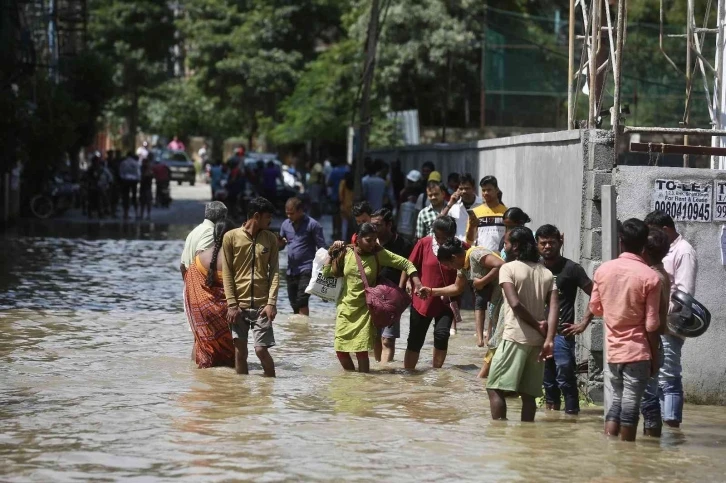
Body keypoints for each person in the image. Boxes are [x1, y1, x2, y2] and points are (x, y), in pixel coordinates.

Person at [589, 219, 662, 442]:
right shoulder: (650, 277)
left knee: (618, 400)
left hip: (614, 350)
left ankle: (613, 447)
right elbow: (651, 324)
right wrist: (655, 357)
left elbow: (596, 308)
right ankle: (627, 452)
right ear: (643, 245)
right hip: (638, 351)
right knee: (631, 402)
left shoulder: (603, 270)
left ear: (621, 242)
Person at [322, 223, 423, 373]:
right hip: (345, 308)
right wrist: (331, 253)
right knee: (340, 350)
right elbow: (326, 274)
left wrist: (418, 284)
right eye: (369, 240)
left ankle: (363, 384)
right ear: (358, 238)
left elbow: (406, 263)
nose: (373, 244)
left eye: (375, 239)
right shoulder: (346, 252)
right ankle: (350, 381)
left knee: (361, 351)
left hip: (366, 310)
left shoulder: (378, 254)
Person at [484, 227, 558, 422]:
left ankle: (500, 435)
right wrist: (548, 337)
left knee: (494, 388)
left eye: (506, 243)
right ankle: (527, 437)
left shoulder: (508, 268)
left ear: (515, 246)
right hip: (538, 342)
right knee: (529, 395)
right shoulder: (546, 273)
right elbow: (554, 309)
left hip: (514, 337)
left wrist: (535, 324)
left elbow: (515, 304)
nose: (504, 247)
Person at [643, 210, 697, 429]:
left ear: (665, 230)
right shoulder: (667, 249)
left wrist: (661, 309)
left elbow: (684, 293)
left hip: (671, 322)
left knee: (668, 373)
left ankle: (672, 424)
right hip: (658, 320)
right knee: (657, 373)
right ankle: (664, 423)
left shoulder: (684, 251)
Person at [536, 224, 594, 415]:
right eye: (543, 243)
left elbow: (596, 294)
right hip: (539, 333)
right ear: (537, 245)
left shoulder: (572, 269)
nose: (547, 247)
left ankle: (572, 418)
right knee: (547, 380)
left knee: (565, 376)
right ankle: (552, 420)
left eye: (551, 242)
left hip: (563, 333)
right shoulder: (534, 267)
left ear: (560, 242)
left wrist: (583, 323)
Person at [222, 197, 280, 377]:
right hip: (238, 306)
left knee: (261, 350)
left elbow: (275, 273)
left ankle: (271, 388)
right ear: (256, 216)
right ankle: (242, 394)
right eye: (267, 217)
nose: (270, 221)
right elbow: (227, 273)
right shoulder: (230, 237)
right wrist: (232, 304)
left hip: (262, 306)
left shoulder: (270, 238)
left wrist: (271, 303)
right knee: (240, 353)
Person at [403, 216, 467, 369]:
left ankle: (437, 373)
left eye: (444, 238)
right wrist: (411, 282)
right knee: (415, 339)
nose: (440, 241)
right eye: (437, 236)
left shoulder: (462, 248)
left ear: (452, 235)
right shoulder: (424, 243)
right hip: (422, 299)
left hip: (447, 301)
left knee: (442, 335)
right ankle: (408, 375)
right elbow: (410, 265)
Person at [422, 238, 504, 349]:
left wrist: (482, 281)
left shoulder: (476, 254)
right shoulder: (463, 267)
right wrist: (431, 291)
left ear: (454, 258)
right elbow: (457, 288)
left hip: (506, 294)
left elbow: (501, 265)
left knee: (500, 336)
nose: (450, 268)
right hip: (494, 299)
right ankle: (482, 341)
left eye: (449, 265)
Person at [185, 218, 238, 368]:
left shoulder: (199, 258)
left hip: (203, 312)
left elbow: (189, 283)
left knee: (202, 344)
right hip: (227, 315)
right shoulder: (235, 259)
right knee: (231, 364)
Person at [370, 208, 414, 362]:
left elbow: (407, 265)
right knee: (375, 337)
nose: (374, 228)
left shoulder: (403, 244)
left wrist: (401, 289)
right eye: (372, 225)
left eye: (378, 225)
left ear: (389, 225)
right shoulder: (369, 243)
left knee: (388, 339)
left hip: (393, 296)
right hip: (372, 295)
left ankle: (385, 370)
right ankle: (378, 369)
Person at [640, 226, 672, 437]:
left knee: (648, 394)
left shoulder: (653, 278)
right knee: (648, 392)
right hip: (653, 339)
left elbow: (651, 320)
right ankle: (652, 439)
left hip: (650, 340)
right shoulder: (660, 274)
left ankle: (652, 436)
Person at [278, 197, 327, 316]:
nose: (289, 216)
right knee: (293, 303)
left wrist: (325, 274)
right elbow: (280, 246)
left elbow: (322, 248)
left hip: (307, 269)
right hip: (291, 270)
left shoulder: (313, 225)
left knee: (302, 301)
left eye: (292, 213)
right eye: (287, 213)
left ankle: (304, 330)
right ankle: (297, 332)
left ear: (300, 211)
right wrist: (279, 243)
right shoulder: (285, 224)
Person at [180, 201, 229, 279]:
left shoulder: (194, 231)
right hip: (201, 285)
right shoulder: (210, 232)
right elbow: (199, 256)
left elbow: (182, 266)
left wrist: (188, 285)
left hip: (190, 285)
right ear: (223, 217)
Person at [465, 176, 507, 251]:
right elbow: (469, 241)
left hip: (501, 257)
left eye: (489, 190)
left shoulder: (506, 212)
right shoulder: (475, 212)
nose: (486, 193)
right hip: (481, 257)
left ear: (497, 190)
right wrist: (472, 226)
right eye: (483, 190)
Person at [440, 173, 482, 241]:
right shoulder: (453, 207)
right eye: (461, 188)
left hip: (477, 248)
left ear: (473, 188)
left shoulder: (482, 204)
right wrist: (450, 204)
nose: (464, 191)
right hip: (459, 248)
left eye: (467, 188)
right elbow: (438, 222)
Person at [415, 175, 447, 239]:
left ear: (443, 194)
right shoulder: (423, 213)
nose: (433, 197)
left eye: (436, 194)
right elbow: (420, 239)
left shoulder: (453, 209)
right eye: (430, 195)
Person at [327, 159, 350, 239]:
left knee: (335, 215)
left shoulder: (334, 171)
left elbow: (329, 183)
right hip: (346, 198)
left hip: (335, 196)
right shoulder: (347, 170)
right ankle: (342, 233)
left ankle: (335, 232)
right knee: (344, 217)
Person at [119, 152, 140, 220]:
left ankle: (126, 214)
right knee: (134, 197)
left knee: (125, 197)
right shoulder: (135, 163)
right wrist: (138, 179)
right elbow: (138, 173)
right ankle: (136, 213)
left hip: (125, 180)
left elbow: (121, 172)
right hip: (134, 181)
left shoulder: (124, 162)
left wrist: (123, 178)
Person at [339, 172, 355, 241]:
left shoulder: (343, 182)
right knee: (353, 225)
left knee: (344, 225)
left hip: (345, 206)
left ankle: (344, 239)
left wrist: (341, 202)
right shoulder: (355, 183)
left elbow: (340, 194)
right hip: (353, 206)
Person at [139, 155, 154, 221]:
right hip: (144, 187)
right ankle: (142, 214)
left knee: (147, 202)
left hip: (147, 188)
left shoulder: (149, 170)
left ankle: (147, 214)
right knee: (143, 202)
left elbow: (150, 176)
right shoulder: (141, 169)